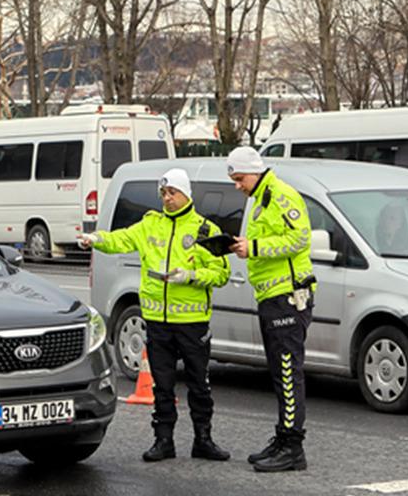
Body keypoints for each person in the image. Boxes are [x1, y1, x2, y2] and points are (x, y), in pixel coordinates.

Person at [77, 168, 231, 463]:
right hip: (158, 321)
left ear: (186, 194)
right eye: (163, 193)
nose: (167, 198)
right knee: (162, 384)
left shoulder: (205, 230)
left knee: (199, 384)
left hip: (192, 322)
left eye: (173, 192)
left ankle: (203, 440)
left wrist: (190, 276)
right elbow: (122, 239)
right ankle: (163, 441)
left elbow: (221, 273)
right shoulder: (150, 224)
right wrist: (95, 239)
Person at [226, 146, 314, 473]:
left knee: (288, 372)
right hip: (271, 296)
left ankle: (293, 447)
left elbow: (300, 239)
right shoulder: (261, 199)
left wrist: (254, 247)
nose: (238, 186)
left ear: (255, 171)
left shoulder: (281, 195)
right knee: (280, 373)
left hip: (288, 296)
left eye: (240, 178)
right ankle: (283, 437)